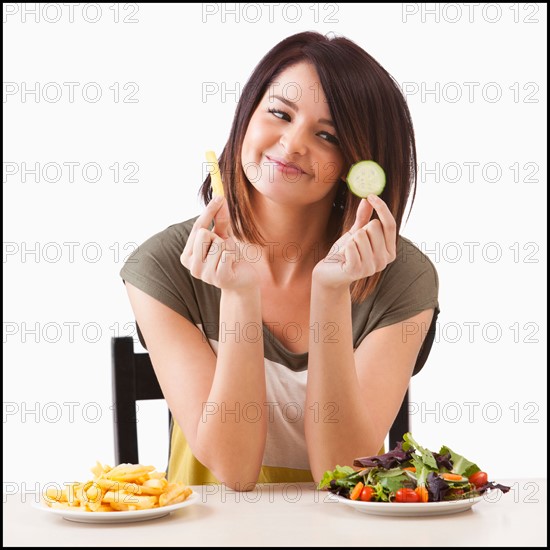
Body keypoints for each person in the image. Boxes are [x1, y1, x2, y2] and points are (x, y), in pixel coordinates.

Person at [120, 31, 439, 491]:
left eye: (327, 134)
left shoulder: (401, 276)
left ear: (359, 163)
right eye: (279, 113)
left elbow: (343, 470)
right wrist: (238, 295)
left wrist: (331, 291)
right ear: (247, 115)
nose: (291, 145)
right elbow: (234, 471)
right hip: (208, 530)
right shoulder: (164, 267)